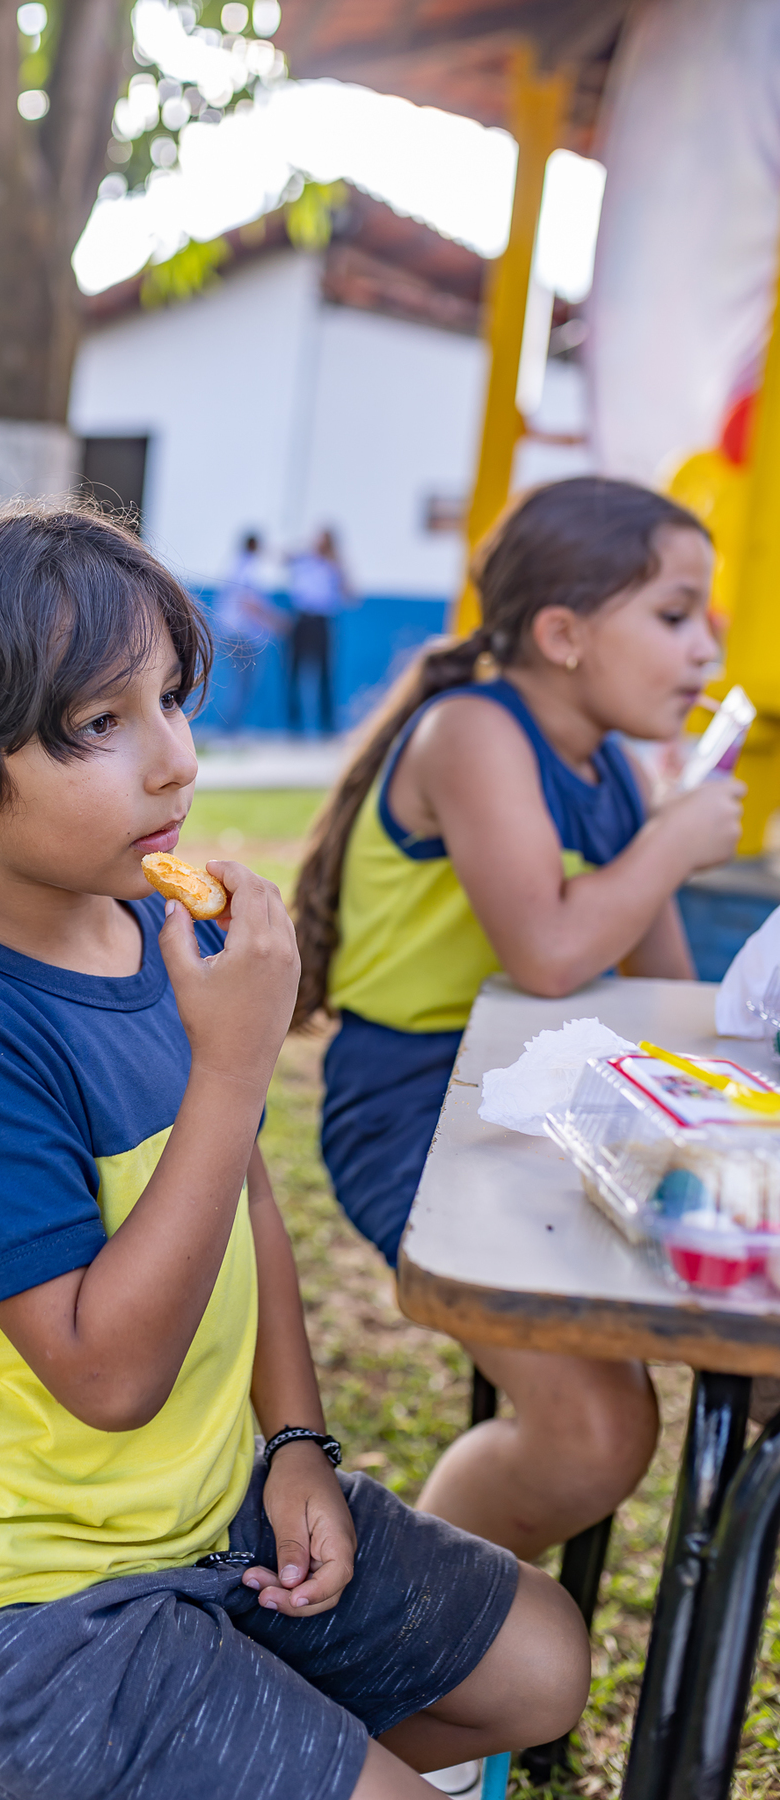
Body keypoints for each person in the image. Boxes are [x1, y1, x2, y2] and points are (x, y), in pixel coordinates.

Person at [0, 501, 589, 1800]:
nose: (176, 761)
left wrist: (297, 1445)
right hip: (22, 1616)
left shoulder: (161, 937)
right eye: (99, 725)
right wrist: (231, 1066)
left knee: (542, 1663)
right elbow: (110, 1378)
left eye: (171, 699)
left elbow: (246, 1207)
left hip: (215, 1515)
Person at [292, 476, 744, 1565]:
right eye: (675, 615)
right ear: (563, 634)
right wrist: (672, 844)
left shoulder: (614, 770)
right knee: (596, 1433)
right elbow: (547, 952)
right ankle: (418, 1629)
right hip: (418, 1112)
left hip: (555, 1107)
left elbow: (667, 997)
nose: (708, 650)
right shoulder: (474, 735)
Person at [213, 531, 285, 735]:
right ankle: (229, 731)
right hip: (241, 633)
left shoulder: (235, 565)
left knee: (239, 682)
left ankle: (229, 729)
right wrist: (275, 621)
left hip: (229, 630)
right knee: (243, 684)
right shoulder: (249, 568)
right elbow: (249, 602)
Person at [288, 527, 348, 736]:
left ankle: (327, 725)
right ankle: (294, 724)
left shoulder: (334, 566)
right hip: (302, 618)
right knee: (294, 672)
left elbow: (349, 593)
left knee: (325, 674)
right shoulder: (303, 561)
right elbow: (282, 556)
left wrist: (338, 563)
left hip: (322, 621)